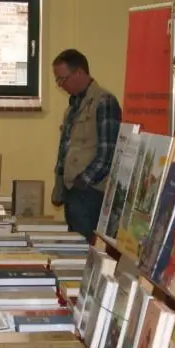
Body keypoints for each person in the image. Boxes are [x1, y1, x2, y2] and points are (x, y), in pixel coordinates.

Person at [50, 49, 121, 237]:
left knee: (84, 249)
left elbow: (109, 152)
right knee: (73, 250)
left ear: (80, 73)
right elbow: (65, 149)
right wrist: (59, 185)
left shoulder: (104, 101)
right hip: (72, 191)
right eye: (57, 81)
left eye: (62, 80)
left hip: (90, 192)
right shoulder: (73, 106)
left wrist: (84, 182)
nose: (60, 85)